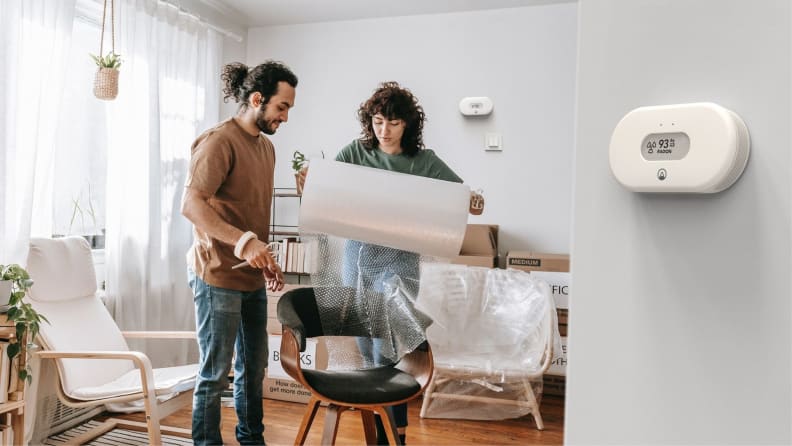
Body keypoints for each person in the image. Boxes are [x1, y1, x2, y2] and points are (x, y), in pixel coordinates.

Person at [300, 81, 483, 445]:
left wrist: (474, 200)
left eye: (393, 123)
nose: (384, 130)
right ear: (370, 121)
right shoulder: (356, 151)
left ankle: (394, 430)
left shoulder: (423, 161)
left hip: (400, 259)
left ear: (408, 125)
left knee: (393, 341)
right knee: (367, 340)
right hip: (358, 255)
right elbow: (328, 190)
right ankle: (379, 426)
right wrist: (309, 182)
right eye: (378, 121)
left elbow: (457, 196)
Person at [181, 61, 296, 446]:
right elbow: (192, 205)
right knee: (215, 374)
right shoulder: (218, 141)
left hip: (249, 278)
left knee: (254, 368)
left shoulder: (267, 149)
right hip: (217, 277)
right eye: (282, 107)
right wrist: (245, 242)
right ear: (257, 99)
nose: (285, 117)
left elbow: (249, 211)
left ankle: (251, 440)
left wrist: (266, 260)